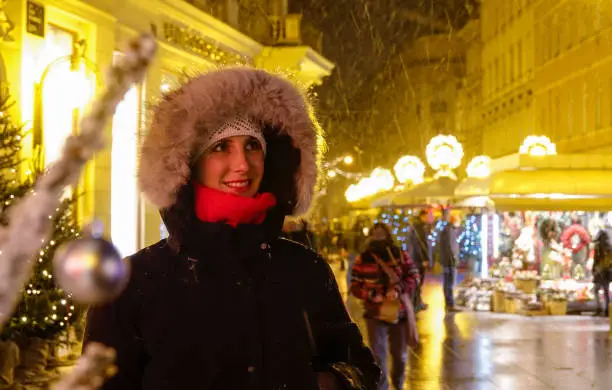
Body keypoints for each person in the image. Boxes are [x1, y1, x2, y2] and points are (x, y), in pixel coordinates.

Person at [83, 67, 380, 390]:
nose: (242, 164)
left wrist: (328, 383)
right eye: (220, 147)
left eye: (252, 145)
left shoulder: (304, 269)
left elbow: (359, 367)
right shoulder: (131, 284)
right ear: (188, 164)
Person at [350, 223, 420, 390]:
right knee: (378, 358)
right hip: (374, 314)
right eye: (376, 234)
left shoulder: (400, 254)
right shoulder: (363, 258)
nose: (379, 237)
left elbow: (414, 275)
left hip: (399, 314)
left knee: (400, 357)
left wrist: (398, 289)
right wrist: (373, 295)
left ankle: (398, 384)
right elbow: (355, 286)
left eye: (382, 234)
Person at [408, 210, 430, 311]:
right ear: (422, 216)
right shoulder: (419, 227)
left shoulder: (415, 226)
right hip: (418, 259)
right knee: (418, 282)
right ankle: (416, 304)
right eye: (427, 216)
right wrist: (424, 259)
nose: (428, 218)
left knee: (417, 282)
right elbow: (420, 245)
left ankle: (417, 302)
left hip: (415, 258)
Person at [439, 212, 461, 313]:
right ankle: (450, 304)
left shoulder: (447, 230)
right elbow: (451, 247)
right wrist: (454, 259)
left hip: (447, 261)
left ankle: (449, 303)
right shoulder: (450, 231)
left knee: (448, 283)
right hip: (449, 262)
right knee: (450, 283)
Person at [593, 228, 612, 316]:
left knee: (597, 290)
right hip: (606, 272)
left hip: (600, 272)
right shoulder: (609, 247)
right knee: (605, 291)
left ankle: (599, 308)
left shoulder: (598, 247)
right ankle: (607, 310)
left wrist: (595, 269)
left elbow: (596, 260)